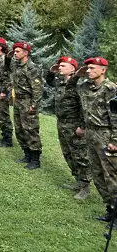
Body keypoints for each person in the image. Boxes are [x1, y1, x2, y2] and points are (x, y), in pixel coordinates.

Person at [69, 57, 117, 221]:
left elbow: (116, 118)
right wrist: (77, 75)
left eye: (92, 68)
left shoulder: (111, 89)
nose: (88, 70)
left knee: (111, 176)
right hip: (91, 134)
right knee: (97, 174)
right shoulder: (85, 87)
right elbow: (69, 89)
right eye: (87, 68)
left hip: (106, 135)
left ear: (103, 70)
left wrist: (115, 141)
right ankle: (110, 209)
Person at [46, 56, 90, 199]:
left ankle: (85, 187)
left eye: (63, 65)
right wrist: (51, 72)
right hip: (62, 122)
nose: (60, 67)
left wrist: (82, 126)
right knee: (68, 153)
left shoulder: (80, 85)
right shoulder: (60, 82)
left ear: (73, 68)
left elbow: (85, 107)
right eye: (59, 65)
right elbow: (49, 81)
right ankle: (78, 181)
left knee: (80, 155)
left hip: (74, 124)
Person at [10, 42, 43, 170]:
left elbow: (37, 89)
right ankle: (27, 154)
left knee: (30, 129)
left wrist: (34, 105)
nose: (15, 53)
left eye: (18, 51)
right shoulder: (17, 65)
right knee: (19, 129)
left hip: (28, 101)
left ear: (25, 52)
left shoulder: (32, 68)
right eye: (14, 51)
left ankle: (35, 159)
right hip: (18, 101)